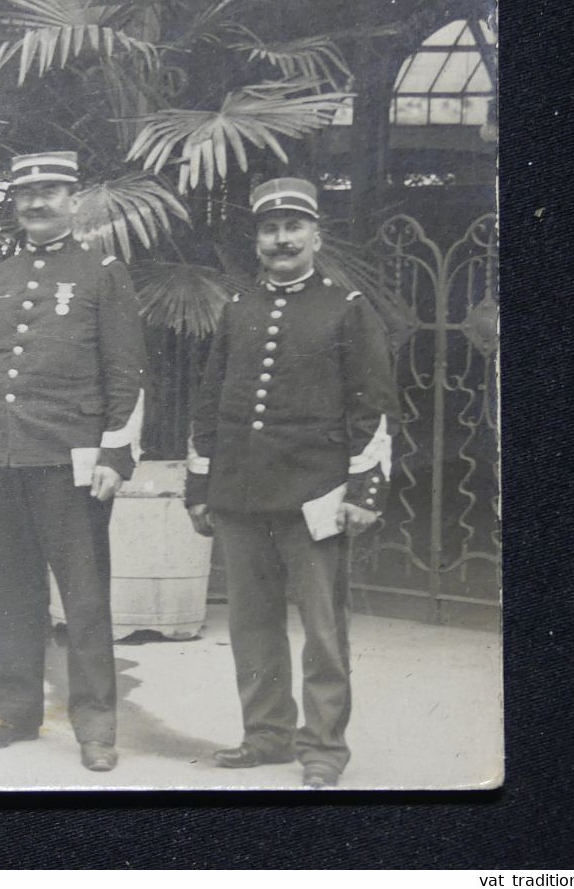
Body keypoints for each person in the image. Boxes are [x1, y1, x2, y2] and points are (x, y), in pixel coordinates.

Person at [185, 177, 396, 789]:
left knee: (324, 632)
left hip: (316, 495)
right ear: (258, 240)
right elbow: (210, 402)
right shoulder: (238, 308)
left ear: (315, 235)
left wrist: (365, 491)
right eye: (270, 229)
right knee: (251, 625)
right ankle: (267, 734)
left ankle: (324, 749)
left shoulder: (347, 307)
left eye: (293, 227)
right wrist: (201, 486)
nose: (281, 239)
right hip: (242, 493)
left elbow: (374, 407)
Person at [0, 151, 146, 773]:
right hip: (3, 456)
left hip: (71, 462)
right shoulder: (1, 275)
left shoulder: (104, 272)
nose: (37, 203)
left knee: (84, 600)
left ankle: (95, 725)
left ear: (74, 198)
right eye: (26, 193)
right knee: (9, 594)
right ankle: (15, 712)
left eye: (50, 191)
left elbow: (128, 372)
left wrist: (117, 451)